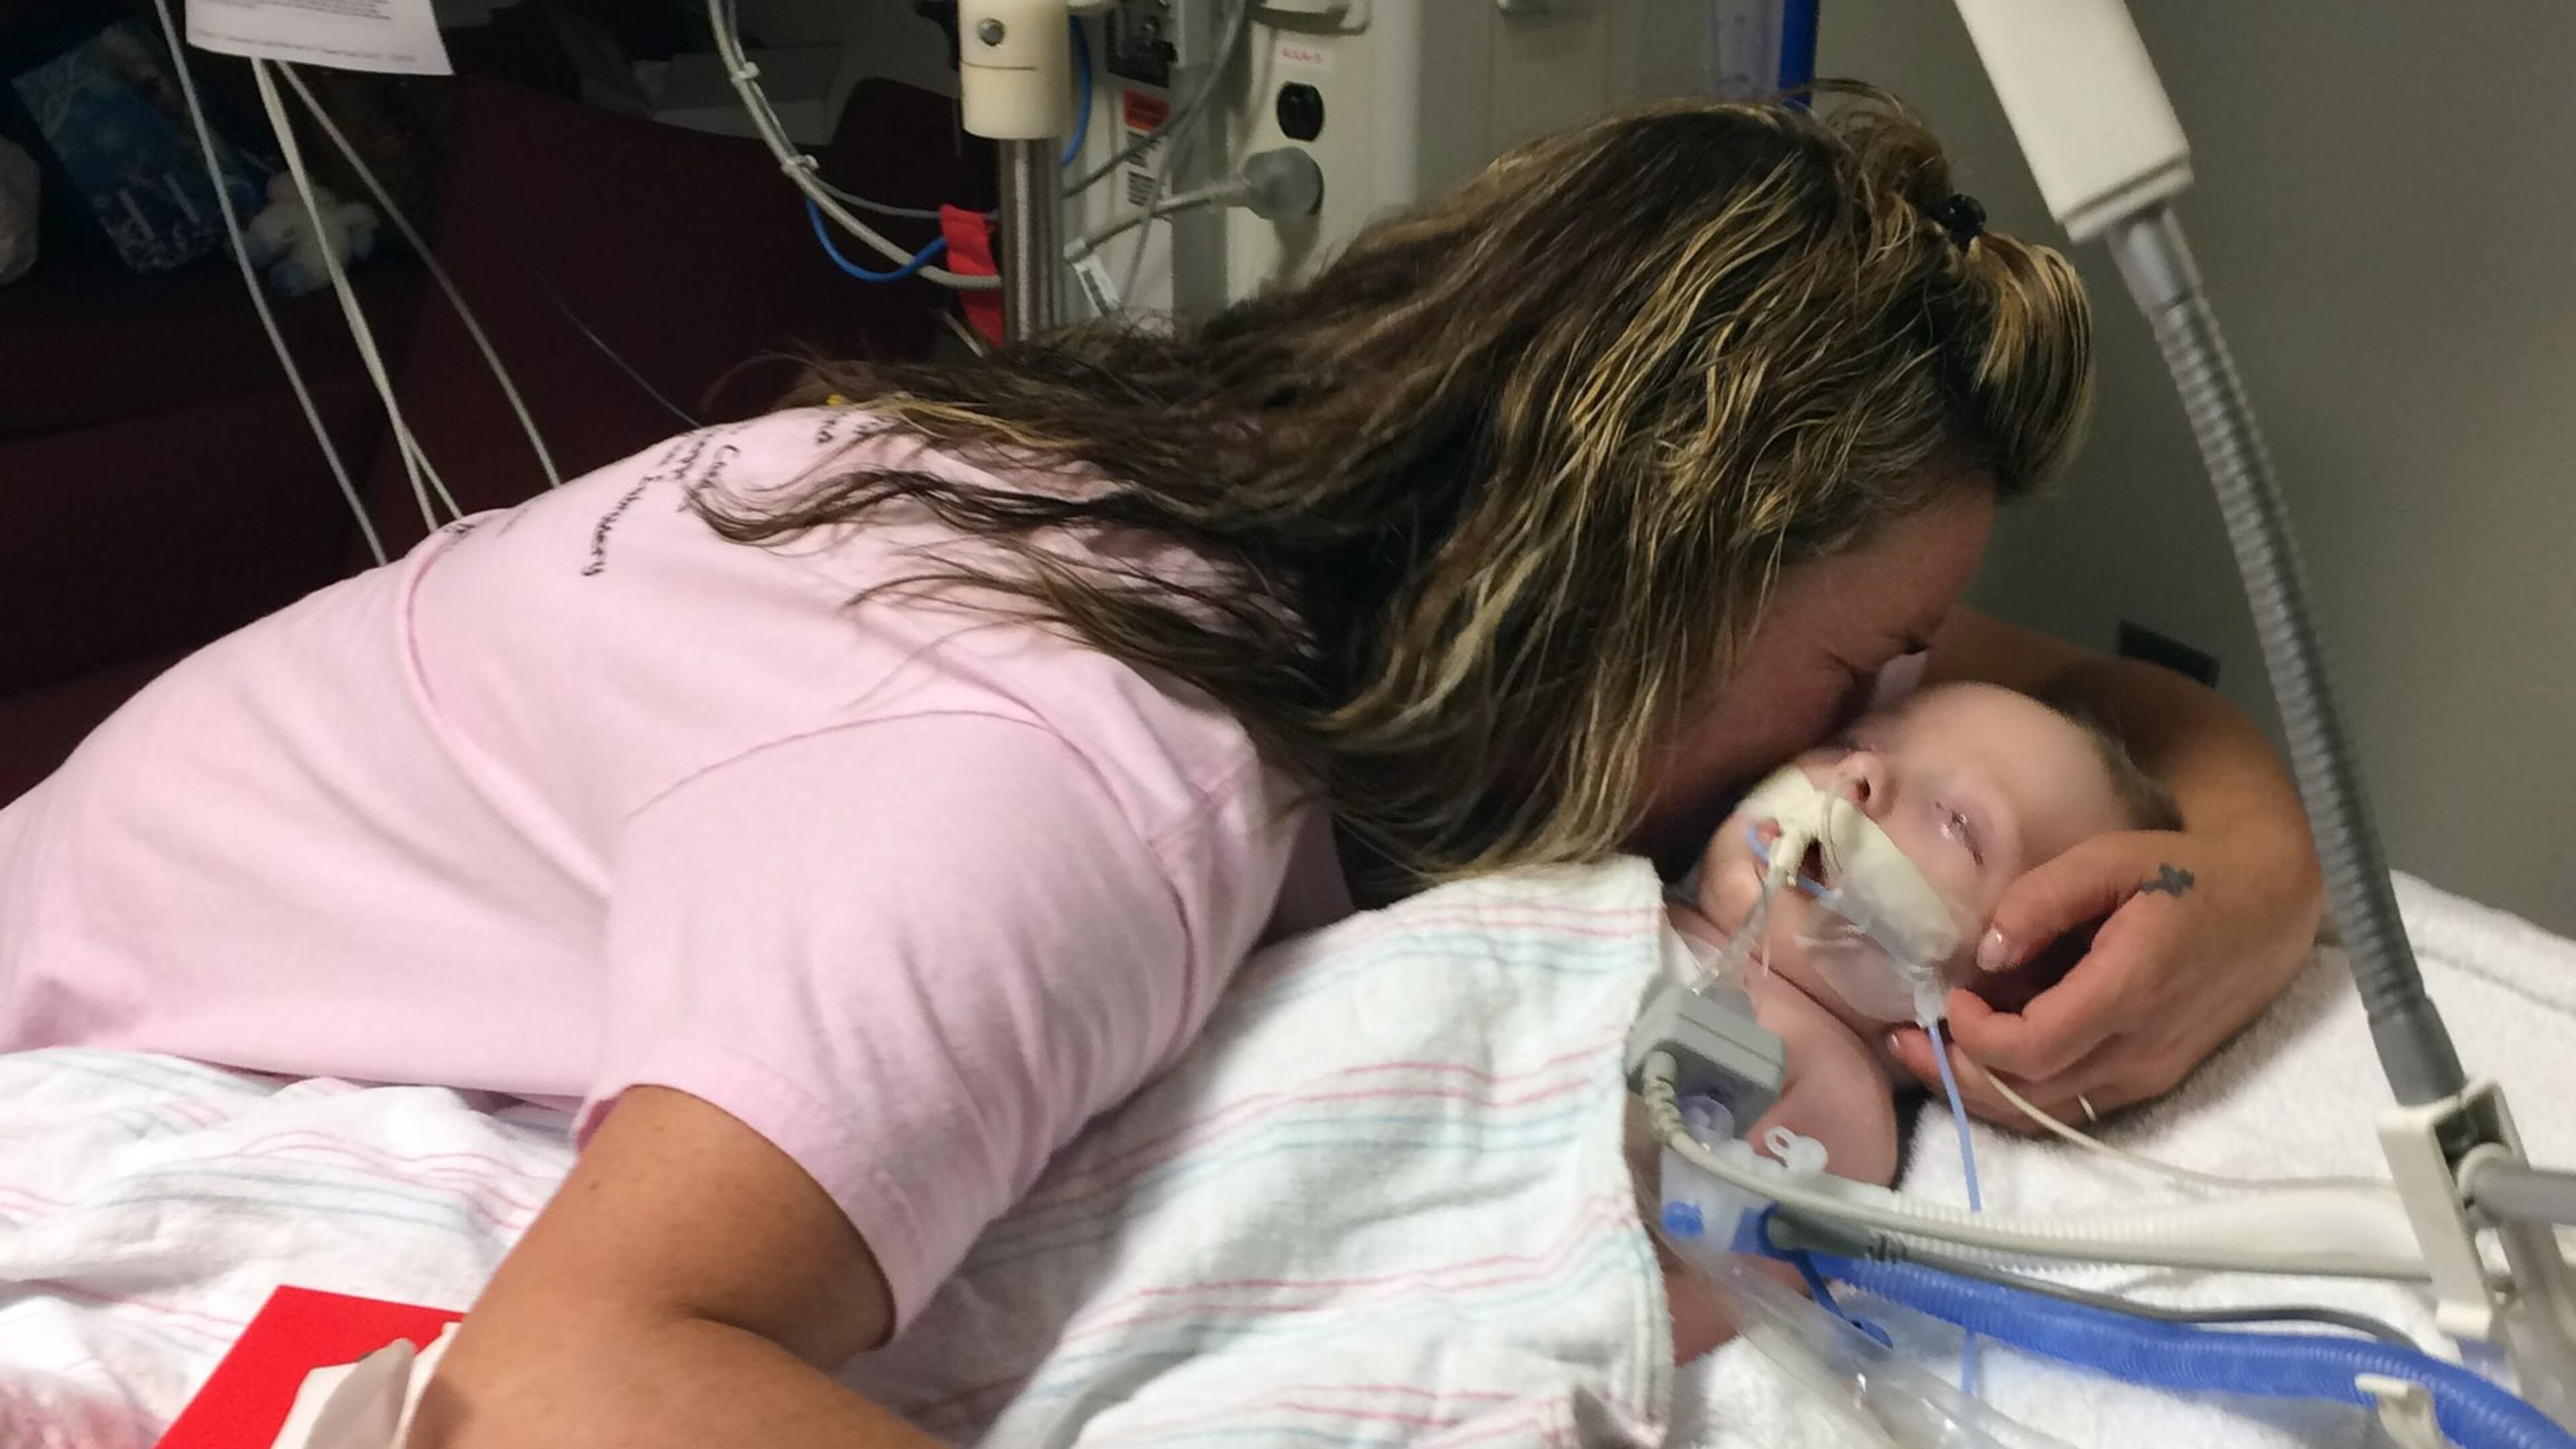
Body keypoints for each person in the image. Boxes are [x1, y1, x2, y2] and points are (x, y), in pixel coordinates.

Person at [0, 93, 2318, 1446]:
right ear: (1642, 577)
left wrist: (2251, 852)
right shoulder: (1077, 774)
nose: (1861, 760)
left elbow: (2016, 679)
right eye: (1855, 679)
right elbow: (574, 1383)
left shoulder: (1265, 480)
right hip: (88, 1027)